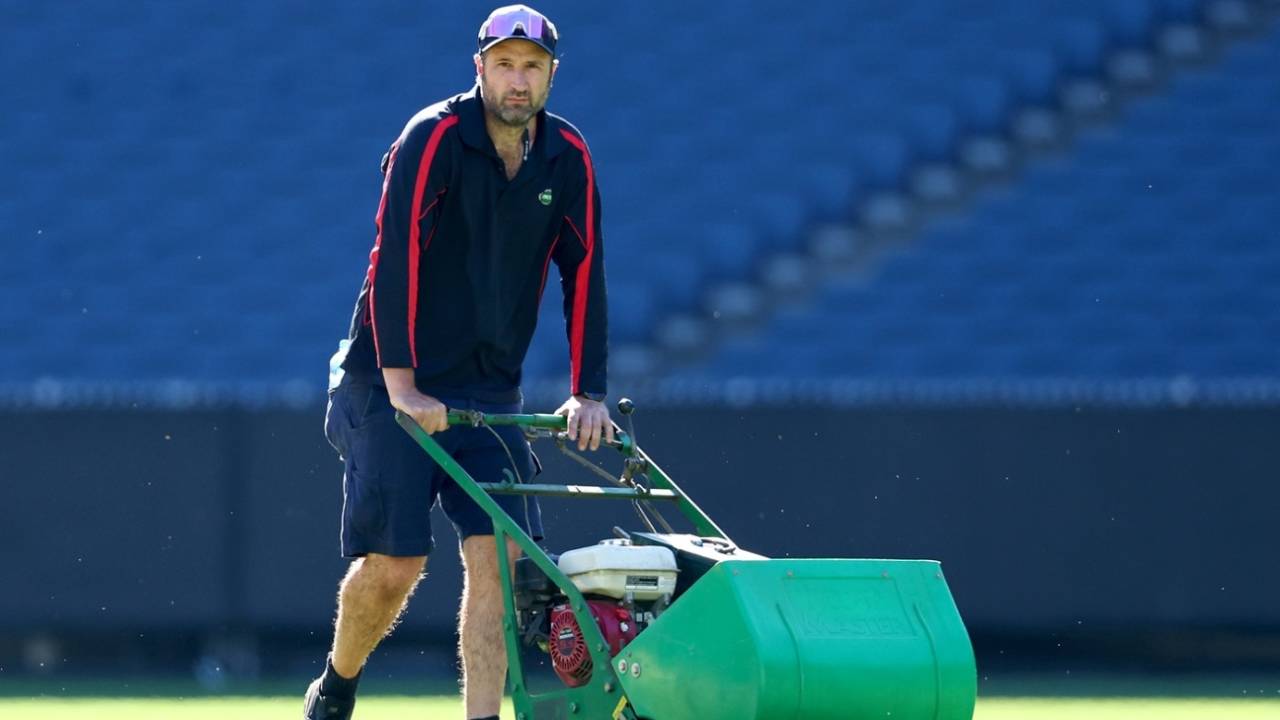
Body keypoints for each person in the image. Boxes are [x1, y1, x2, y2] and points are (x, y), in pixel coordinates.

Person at [305, 6, 612, 719]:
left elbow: (587, 270)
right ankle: (338, 687)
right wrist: (404, 386)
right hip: (387, 376)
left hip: (489, 388)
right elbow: (394, 264)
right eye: (504, 64)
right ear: (479, 68)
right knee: (395, 565)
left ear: (550, 77)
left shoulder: (568, 156)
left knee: (500, 560)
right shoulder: (432, 138)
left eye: (531, 67)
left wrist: (588, 391)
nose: (517, 79)